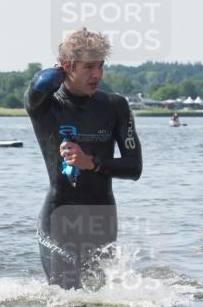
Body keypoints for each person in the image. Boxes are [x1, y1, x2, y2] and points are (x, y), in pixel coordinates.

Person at [26, 28, 142, 290]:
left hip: (102, 215)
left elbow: (134, 167)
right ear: (67, 66)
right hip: (60, 215)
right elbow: (39, 84)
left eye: (101, 66)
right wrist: (60, 69)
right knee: (65, 300)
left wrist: (91, 163)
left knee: (99, 303)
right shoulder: (45, 105)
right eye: (89, 66)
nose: (97, 75)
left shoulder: (115, 106)